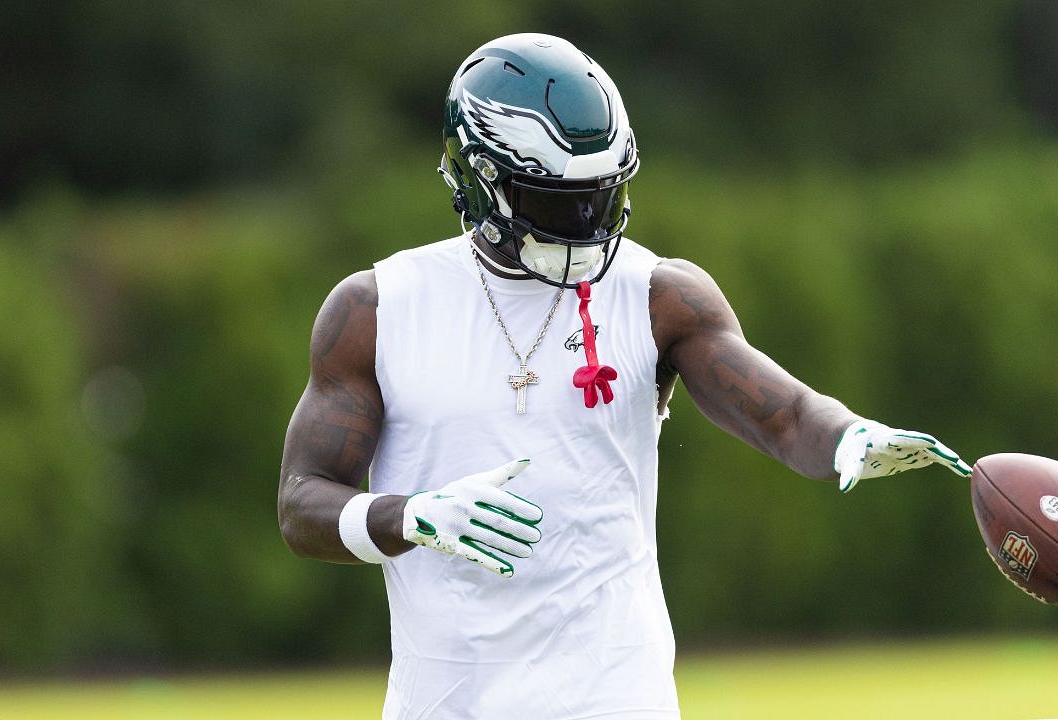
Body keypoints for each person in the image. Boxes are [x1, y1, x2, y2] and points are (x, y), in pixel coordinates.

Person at [278, 32, 970, 720]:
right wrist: (411, 515)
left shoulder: (657, 294)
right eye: (555, 201)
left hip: (614, 693)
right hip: (448, 698)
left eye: (599, 198)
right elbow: (300, 504)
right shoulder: (378, 308)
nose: (583, 225)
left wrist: (849, 436)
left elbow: (783, 414)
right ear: (479, 179)